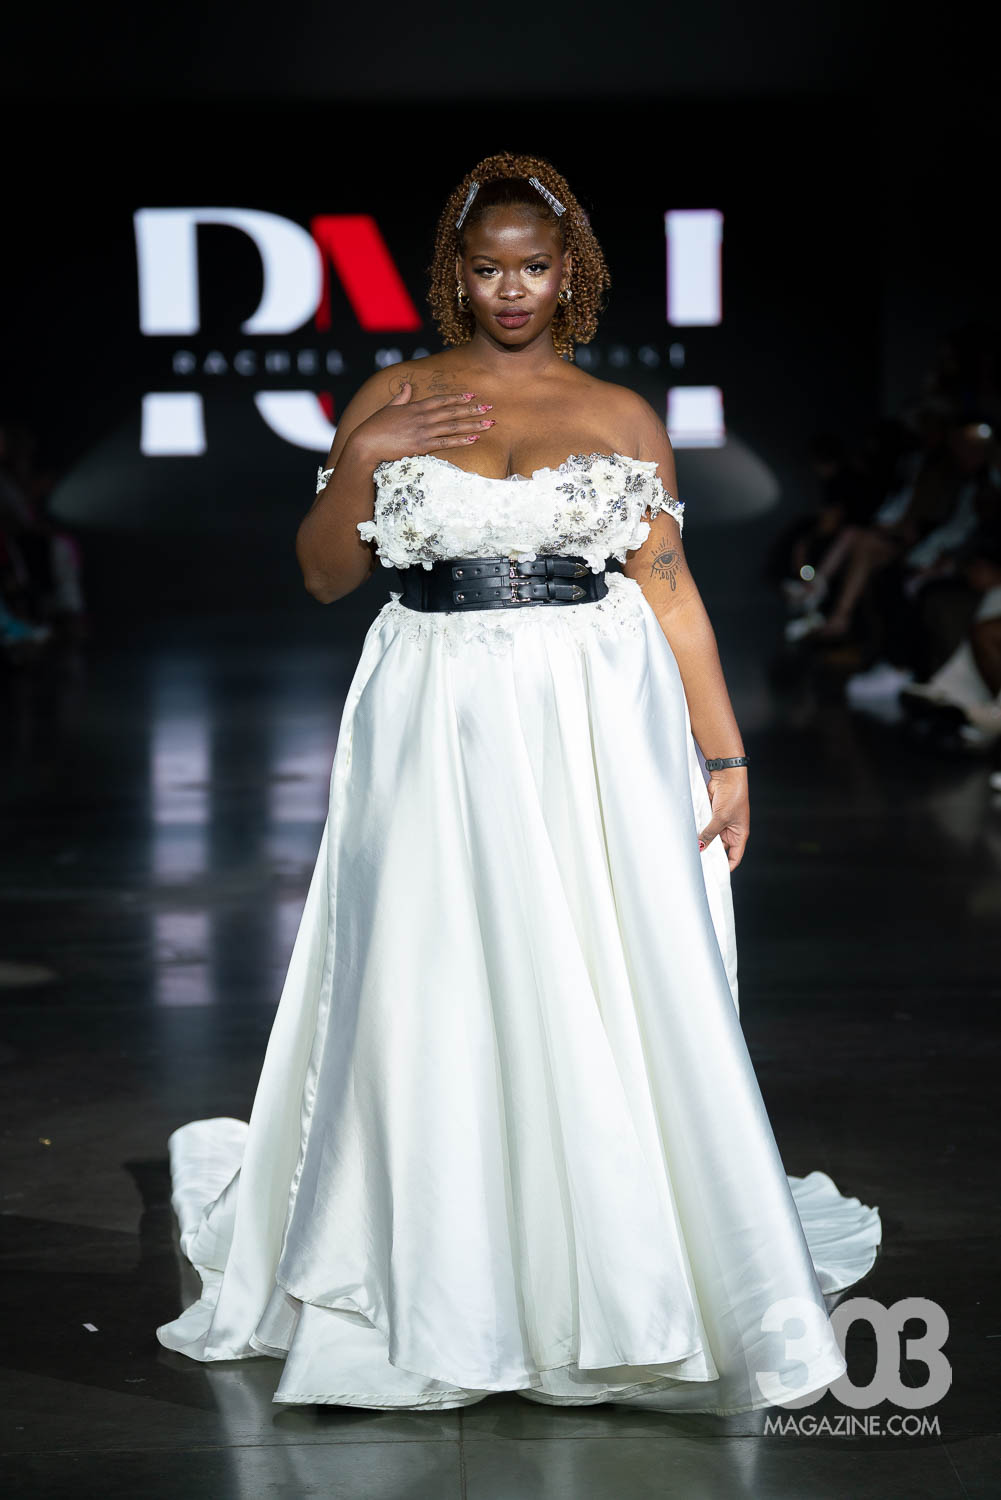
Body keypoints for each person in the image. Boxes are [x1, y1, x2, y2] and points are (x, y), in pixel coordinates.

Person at [158, 152, 880, 1413]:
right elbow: (324, 576)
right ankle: (438, 1272)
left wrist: (724, 755)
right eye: (488, 268)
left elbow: (668, 592)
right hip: (431, 707)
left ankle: (599, 1269)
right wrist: (366, 449)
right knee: (428, 967)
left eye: (533, 267)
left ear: (567, 274)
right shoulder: (396, 394)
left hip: (590, 716)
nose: (510, 289)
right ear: (455, 273)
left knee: (589, 964)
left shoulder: (618, 413)